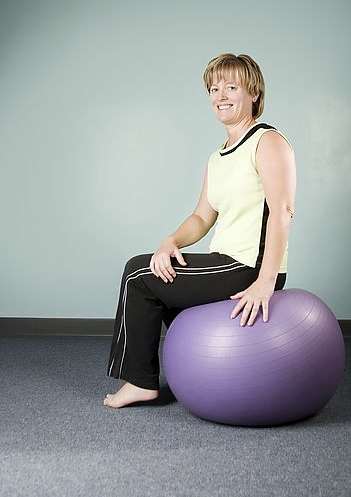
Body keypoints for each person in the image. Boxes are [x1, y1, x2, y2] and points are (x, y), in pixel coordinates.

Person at [104, 53, 296, 408]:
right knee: (155, 267)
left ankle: (141, 381)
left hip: (250, 267)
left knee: (137, 274)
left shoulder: (267, 141)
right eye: (213, 88)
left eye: (231, 87)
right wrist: (170, 241)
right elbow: (201, 217)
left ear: (253, 93)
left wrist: (266, 281)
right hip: (224, 261)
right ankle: (196, 369)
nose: (220, 95)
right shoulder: (218, 156)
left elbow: (282, 210)